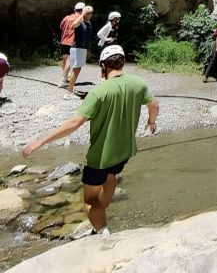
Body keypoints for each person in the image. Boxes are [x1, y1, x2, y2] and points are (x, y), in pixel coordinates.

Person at [22, 44, 159, 235]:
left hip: (99, 157)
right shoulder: (139, 83)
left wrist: (42, 141)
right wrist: (151, 123)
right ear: (123, 62)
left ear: (103, 66)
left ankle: (103, 233)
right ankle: (102, 211)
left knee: (89, 201)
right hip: (124, 151)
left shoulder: (98, 93)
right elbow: (153, 104)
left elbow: (75, 122)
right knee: (111, 176)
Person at [66, 5, 94, 98]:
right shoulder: (80, 22)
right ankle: (69, 93)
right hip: (77, 48)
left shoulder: (88, 23)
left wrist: (88, 49)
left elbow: (87, 37)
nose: (90, 14)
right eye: (88, 13)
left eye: (91, 12)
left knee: (77, 69)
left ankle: (71, 89)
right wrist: (82, 15)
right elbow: (74, 25)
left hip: (82, 49)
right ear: (84, 13)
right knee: (76, 69)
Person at [59, 2, 85, 88]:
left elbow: (61, 26)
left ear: (75, 10)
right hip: (72, 42)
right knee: (70, 62)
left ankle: (65, 77)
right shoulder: (80, 19)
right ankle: (63, 80)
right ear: (83, 10)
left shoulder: (67, 17)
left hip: (63, 41)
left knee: (65, 61)